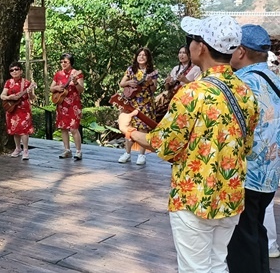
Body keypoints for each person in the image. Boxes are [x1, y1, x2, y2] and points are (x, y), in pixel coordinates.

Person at [118, 15, 259, 273]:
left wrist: (128, 130)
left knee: (194, 268)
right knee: (217, 263)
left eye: (192, 40)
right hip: (231, 195)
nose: (190, 46)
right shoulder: (245, 91)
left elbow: (164, 145)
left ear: (202, 47)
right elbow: (246, 146)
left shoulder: (193, 92)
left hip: (194, 196)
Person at [227, 24, 280, 273]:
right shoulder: (275, 80)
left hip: (245, 176)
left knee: (241, 244)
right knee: (256, 232)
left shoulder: (239, 84)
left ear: (240, 51)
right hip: (270, 176)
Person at [117, 47, 158, 165]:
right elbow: (122, 83)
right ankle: (127, 153)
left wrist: (150, 83)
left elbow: (154, 89)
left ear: (148, 58)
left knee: (143, 128)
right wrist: (129, 82)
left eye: (144, 55)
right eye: (139, 55)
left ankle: (141, 155)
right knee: (129, 127)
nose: (141, 57)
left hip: (146, 102)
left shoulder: (152, 72)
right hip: (132, 102)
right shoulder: (131, 69)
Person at [50, 53, 84, 161]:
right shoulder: (58, 74)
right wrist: (57, 88)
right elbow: (51, 88)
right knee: (63, 128)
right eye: (61, 62)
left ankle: (78, 151)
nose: (62, 64)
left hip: (73, 105)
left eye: (65, 62)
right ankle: (67, 150)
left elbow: (81, 90)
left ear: (70, 62)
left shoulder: (76, 74)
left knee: (74, 128)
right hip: (61, 104)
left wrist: (75, 82)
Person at [0, 61, 36, 160]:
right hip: (12, 108)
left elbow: (32, 97)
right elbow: (2, 95)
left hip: (24, 109)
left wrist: (30, 92)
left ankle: (25, 150)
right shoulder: (8, 82)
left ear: (21, 71)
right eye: (12, 70)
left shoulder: (27, 83)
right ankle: (17, 148)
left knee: (24, 130)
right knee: (15, 129)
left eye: (16, 69)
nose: (14, 72)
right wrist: (9, 97)